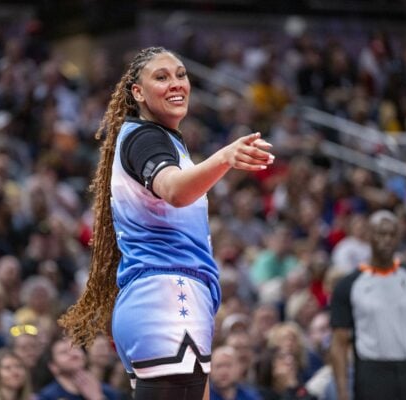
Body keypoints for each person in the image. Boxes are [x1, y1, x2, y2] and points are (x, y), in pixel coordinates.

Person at [59, 46, 274, 400]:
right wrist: (225, 157)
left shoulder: (158, 139)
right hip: (167, 299)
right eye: (161, 77)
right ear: (138, 93)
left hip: (164, 300)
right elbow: (174, 190)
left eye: (181, 74)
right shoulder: (146, 137)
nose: (176, 83)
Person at [330, 210, 406, 400]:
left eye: (392, 234)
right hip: (372, 373)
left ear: (399, 237)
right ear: (368, 235)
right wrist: (342, 392)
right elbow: (339, 343)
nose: (387, 239)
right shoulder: (348, 284)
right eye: (381, 233)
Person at [36, 336, 121, 400]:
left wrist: (97, 398)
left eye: (76, 348)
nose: (73, 354)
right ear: (53, 367)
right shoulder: (46, 396)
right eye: (63, 352)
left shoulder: (108, 392)